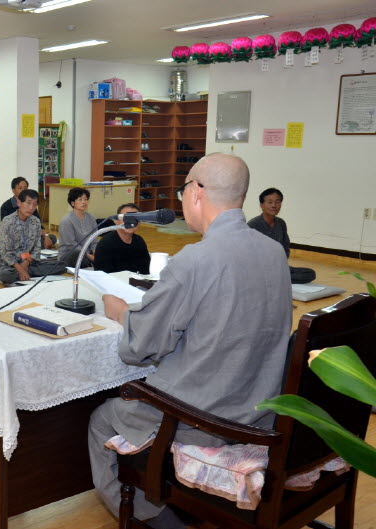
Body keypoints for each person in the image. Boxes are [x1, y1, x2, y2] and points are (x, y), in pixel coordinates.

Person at [90, 154, 292, 529]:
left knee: (102, 419)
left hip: (202, 420)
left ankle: (152, 518)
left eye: (183, 190)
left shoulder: (195, 260)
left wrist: (120, 312)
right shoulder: (274, 251)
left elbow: (140, 347)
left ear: (197, 192)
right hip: (260, 412)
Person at [0, 189, 67, 284]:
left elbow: (37, 247)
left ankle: (25, 272)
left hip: (28, 261)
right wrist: (20, 269)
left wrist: (26, 263)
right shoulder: (7, 221)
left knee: (62, 265)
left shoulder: (35, 221)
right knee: (6, 275)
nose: (31, 207)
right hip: (9, 264)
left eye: (34, 204)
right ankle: (26, 273)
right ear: (19, 203)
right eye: (28, 203)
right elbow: (4, 252)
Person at [247, 187, 316, 284]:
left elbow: (285, 247)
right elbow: (248, 253)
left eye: (277, 202)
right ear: (262, 205)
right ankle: (276, 278)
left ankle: (278, 278)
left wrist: (281, 264)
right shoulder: (253, 225)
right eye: (270, 202)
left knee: (310, 273)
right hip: (260, 269)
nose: (274, 205)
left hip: (279, 267)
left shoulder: (281, 223)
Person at [0, 176, 56, 249]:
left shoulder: (31, 205)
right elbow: (6, 230)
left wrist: (46, 236)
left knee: (52, 238)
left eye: (25, 188)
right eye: (20, 188)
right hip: (15, 238)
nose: (23, 191)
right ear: (13, 190)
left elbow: (39, 224)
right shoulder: (6, 206)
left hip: (31, 236)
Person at [93, 203, 151, 274]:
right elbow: (102, 275)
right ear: (117, 221)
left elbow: (146, 270)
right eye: (126, 218)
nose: (130, 222)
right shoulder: (106, 244)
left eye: (135, 219)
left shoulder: (139, 241)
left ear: (139, 223)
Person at [57, 187, 98, 267]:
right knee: (77, 254)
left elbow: (94, 239)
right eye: (80, 199)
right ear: (73, 203)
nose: (84, 202)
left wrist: (95, 252)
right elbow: (71, 246)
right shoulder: (67, 221)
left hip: (87, 254)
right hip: (70, 255)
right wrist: (90, 257)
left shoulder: (91, 218)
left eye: (85, 199)